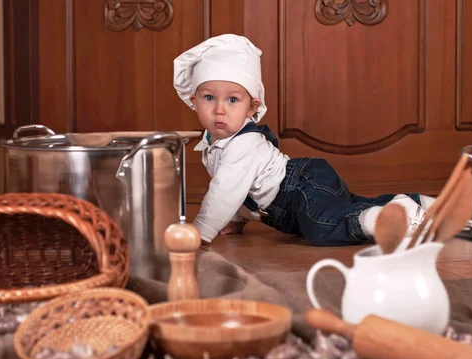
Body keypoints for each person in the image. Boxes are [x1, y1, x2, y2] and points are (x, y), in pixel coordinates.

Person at [173, 34, 435, 246]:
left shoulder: (242, 144)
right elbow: (238, 190)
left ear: (252, 108)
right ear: (193, 101)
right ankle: (416, 204)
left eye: (232, 100)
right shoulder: (215, 142)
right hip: (298, 194)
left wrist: (200, 232)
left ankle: (380, 222)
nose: (220, 109)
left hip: (300, 188)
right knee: (347, 206)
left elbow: (224, 191)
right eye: (209, 98)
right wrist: (236, 221)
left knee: (320, 225)